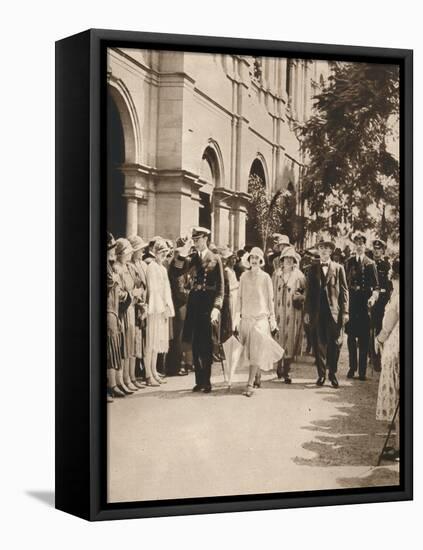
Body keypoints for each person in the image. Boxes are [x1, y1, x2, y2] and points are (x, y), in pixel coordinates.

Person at [175, 227, 224, 393]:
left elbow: (221, 288)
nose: (195, 243)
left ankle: (207, 380)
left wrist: (217, 307)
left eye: (197, 240)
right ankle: (198, 380)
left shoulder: (215, 258)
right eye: (194, 240)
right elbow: (176, 271)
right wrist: (182, 252)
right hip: (195, 304)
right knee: (195, 343)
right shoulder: (193, 258)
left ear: (205, 239)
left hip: (208, 305)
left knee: (207, 344)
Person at [234, 247, 280, 397]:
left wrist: (272, 319)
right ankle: (257, 375)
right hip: (246, 319)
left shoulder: (266, 277)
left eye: (257, 258)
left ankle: (249, 384)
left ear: (261, 260)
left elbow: (270, 299)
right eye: (251, 258)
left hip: (260, 320)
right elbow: (239, 298)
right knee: (249, 351)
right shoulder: (243, 276)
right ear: (249, 260)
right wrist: (236, 318)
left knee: (255, 349)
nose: (254, 260)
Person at [304, 238, 349, 388]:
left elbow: (344, 291)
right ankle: (321, 375)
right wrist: (307, 312)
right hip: (318, 312)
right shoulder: (312, 269)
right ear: (318, 251)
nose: (323, 250)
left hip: (334, 312)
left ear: (331, 251)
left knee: (334, 344)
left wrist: (345, 312)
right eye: (321, 248)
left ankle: (333, 374)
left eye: (327, 248)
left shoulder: (338, 268)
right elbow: (309, 292)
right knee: (319, 344)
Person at [344, 232, 379, 381]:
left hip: (365, 305)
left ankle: (362, 371)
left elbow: (377, 287)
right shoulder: (349, 262)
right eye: (356, 243)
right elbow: (344, 284)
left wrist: (373, 297)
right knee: (351, 338)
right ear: (354, 245)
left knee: (364, 338)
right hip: (352, 304)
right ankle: (352, 367)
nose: (359, 246)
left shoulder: (370, 263)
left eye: (361, 244)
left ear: (365, 246)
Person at [375, 257, 400, 461]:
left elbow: (390, 321)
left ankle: (401, 446)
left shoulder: (399, 293)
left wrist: (380, 338)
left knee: (400, 398)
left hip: (398, 344)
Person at [272, 246, 306, 383]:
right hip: (278, 310)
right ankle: (278, 365)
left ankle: (287, 370)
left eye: (291, 259)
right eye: (286, 258)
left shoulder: (299, 276)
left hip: (293, 313)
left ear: (294, 261)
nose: (288, 261)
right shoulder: (276, 275)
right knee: (278, 337)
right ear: (282, 260)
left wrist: (300, 297)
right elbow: (271, 292)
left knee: (290, 339)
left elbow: (305, 292)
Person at [144, 238, 175, 386]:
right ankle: (148, 374)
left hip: (162, 309)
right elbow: (153, 290)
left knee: (158, 342)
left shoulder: (162, 268)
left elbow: (166, 290)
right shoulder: (152, 267)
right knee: (151, 341)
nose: (163, 255)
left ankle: (154, 371)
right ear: (155, 253)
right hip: (154, 309)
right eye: (161, 252)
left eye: (165, 252)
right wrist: (160, 308)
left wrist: (168, 306)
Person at [114, 238, 141, 394]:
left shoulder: (129, 267)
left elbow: (138, 284)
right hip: (123, 312)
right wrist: (132, 294)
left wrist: (137, 294)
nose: (130, 253)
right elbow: (119, 293)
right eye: (127, 251)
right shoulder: (117, 268)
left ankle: (129, 378)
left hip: (131, 310)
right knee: (123, 346)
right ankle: (121, 380)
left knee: (130, 345)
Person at [107, 232, 130, 401]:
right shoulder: (109, 267)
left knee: (113, 347)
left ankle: (113, 384)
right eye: (111, 248)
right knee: (110, 348)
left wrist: (124, 295)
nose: (113, 251)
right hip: (109, 310)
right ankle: (111, 385)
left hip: (114, 310)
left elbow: (117, 291)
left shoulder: (110, 265)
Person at [166, 237, 193, 376]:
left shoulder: (182, 269)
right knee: (178, 338)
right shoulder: (177, 268)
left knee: (181, 337)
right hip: (179, 306)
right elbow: (180, 291)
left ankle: (180, 364)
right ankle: (174, 367)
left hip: (183, 306)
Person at [128, 235, 149, 388]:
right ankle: (133, 374)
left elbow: (145, 285)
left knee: (140, 338)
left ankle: (138, 372)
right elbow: (135, 286)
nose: (142, 252)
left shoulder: (142, 264)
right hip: (134, 306)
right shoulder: (130, 266)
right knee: (134, 340)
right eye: (140, 249)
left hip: (142, 305)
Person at [370, 239, 393, 372]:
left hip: (382, 301)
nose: (376, 251)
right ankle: (371, 355)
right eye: (375, 248)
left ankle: (377, 358)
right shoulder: (369, 263)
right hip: (370, 300)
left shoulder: (386, 266)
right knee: (369, 328)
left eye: (379, 249)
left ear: (383, 251)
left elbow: (389, 286)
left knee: (379, 328)